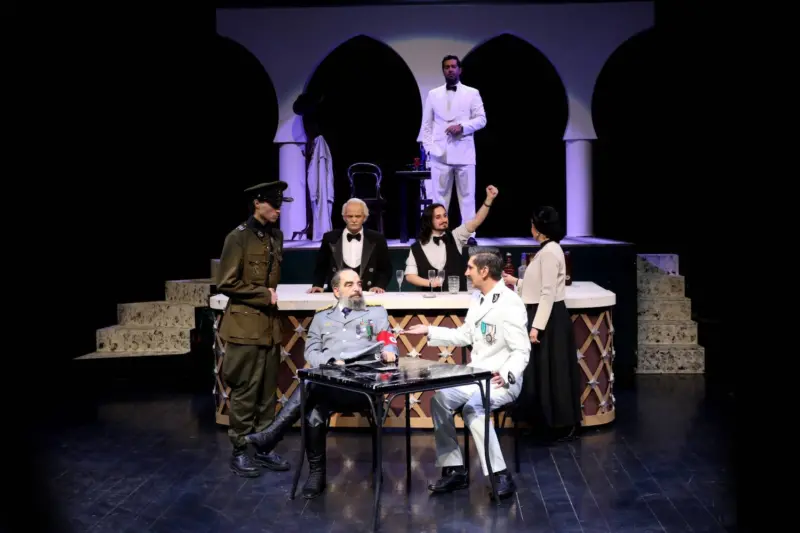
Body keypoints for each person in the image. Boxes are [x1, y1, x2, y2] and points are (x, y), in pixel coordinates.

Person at [246, 269, 399, 499]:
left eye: (359, 284)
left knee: (310, 386)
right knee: (313, 412)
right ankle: (316, 474)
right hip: (331, 385)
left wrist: (389, 351)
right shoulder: (321, 317)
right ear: (336, 291)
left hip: (363, 387)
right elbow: (311, 351)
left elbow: (388, 340)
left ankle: (272, 435)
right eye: (349, 285)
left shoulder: (376, 313)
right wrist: (330, 361)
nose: (357, 289)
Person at [404, 252, 529, 499]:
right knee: (439, 400)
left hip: (500, 379)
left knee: (474, 408)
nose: (466, 273)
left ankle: (500, 474)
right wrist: (429, 330)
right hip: (476, 376)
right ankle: (455, 470)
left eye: (470, 268)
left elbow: (521, 350)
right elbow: (465, 335)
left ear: (484, 271)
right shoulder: (477, 298)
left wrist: (507, 374)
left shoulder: (510, 302)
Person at [216, 181, 294, 477]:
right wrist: (263, 295)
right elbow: (226, 282)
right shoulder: (237, 238)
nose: (278, 210)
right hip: (244, 326)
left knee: (266, 391)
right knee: (245, 390)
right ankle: (239, 450)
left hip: (269, 327)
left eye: (280, 205)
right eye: (273, 204)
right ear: (257, 203)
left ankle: (264, 447)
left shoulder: (276, 236)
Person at [501, 206, 582, 441]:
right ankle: (544, 422)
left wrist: (537, 327)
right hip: (544, 314)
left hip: (549, 318)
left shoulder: (549, 252)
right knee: (543, 372)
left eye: (532, 224)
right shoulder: (548, 250)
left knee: (553, 371)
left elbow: (547, 293)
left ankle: (560, 424)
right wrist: (515, 281)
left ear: (539, 228)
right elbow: (537, 286)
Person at [418, 54, 487, 239]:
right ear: (443, 70)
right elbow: (426, 125)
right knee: (439, 198)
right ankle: (438, 234)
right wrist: (430, 149)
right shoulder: (433, 94)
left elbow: (482, 120)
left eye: (453, 67)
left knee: (467, 197)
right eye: (446, 67)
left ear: (459, 70)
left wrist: (462, 127)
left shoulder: (472, 93)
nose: (450, 70)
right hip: (440, 154)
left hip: (464, 153)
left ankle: (469, 236)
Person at [404, 185, 498, 292]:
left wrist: (489, 200)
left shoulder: (456, 236)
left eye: (445, 215)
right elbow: (410, 276)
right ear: (429, 221)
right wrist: (430, 283)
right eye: (438, 217)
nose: (444, 220)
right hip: (430, 299)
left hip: (457, 299)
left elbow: (476, 222)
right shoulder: (417, 247)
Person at [308, 198, 392, 294]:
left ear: (364, 217)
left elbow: (385, 268)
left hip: (368, 293)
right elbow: (321, 266)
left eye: (358, 216)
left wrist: (379, 285)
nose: (354, 220)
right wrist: (318, 285)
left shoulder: (377, 238)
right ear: (344, 217)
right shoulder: (330, 238)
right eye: (350, 216)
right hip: (337, 293)